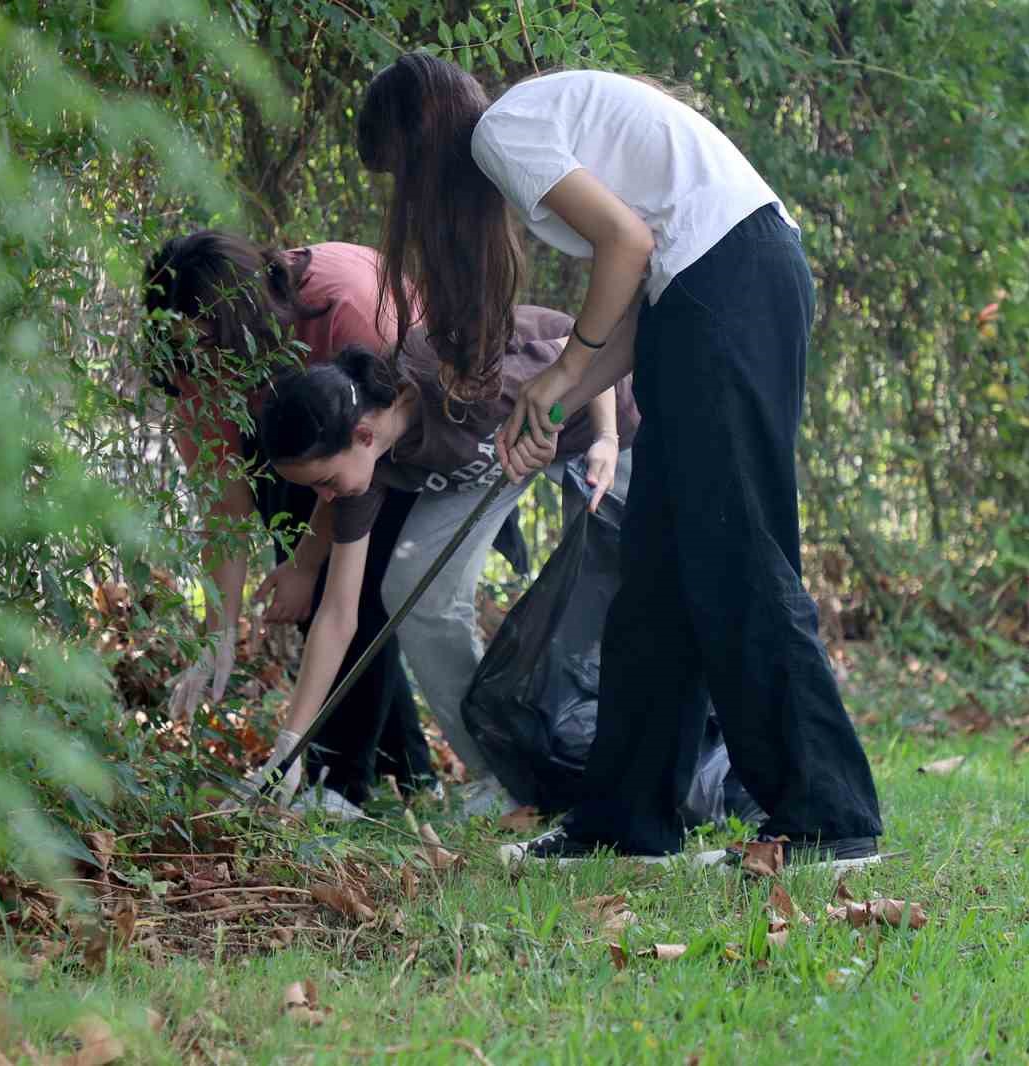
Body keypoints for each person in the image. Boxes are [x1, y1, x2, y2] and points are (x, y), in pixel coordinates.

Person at [356, 54, 884, 868]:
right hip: (712, 290)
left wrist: (566, 371)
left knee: (738, 555)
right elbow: (639, 292)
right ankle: (625, 823)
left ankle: (829, 817)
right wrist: (557, 399)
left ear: (417, 141)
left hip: (731, 287)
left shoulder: (506, 129)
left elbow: (628, 245)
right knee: (658, 580)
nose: (411, 198)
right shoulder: (531, 126)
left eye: (400, 174)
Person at [248, 306, 636, 816]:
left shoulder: (462, 384)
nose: (325, 497)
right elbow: (338, 615)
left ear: (363, 433)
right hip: (506, 455)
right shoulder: (370, 470)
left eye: (325, 482)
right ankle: (502, 776)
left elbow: (584, 352)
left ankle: (658, 771)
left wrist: (607, 438)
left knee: (633, 596)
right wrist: (291, 742)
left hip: (608, 421)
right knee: (411, 590)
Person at [142, 232, 444, 814]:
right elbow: (225, 509)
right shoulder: (190, 361)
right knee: (306, 584)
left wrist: (308, 565)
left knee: (356, 580)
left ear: (245, 319)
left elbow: (357, 475)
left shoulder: (348, 309)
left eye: (208, 345)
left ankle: (341, 781)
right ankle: (408, 773)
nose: (200, 366)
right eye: (186, 351)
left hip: (388, 425)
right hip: (295, 428)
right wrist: (220, 632)